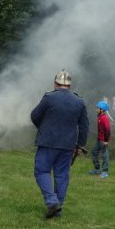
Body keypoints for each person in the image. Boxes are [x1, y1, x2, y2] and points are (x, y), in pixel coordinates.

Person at [30, 69, 89, 219]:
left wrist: (43, 128)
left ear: (55, 83)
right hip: (68, 145)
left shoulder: (49, 98)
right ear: (69, 85)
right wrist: (80, 144)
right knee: (62, 176)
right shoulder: (79, 101)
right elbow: (84, 126)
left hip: (48, 142)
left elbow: (35, 115)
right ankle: (57, 209)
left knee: (42, 171)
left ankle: (52, 202)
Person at [88, 101, 111, 178]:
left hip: (103, 141)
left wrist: (106, 141)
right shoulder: (100, 117)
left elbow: (107, 130)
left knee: (105, 155)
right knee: (94, 152)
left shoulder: (104, 118)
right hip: (99, 140)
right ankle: (97, 169)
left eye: (98, 108)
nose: (96, 109)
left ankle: (105, 172)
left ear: (102, 110)